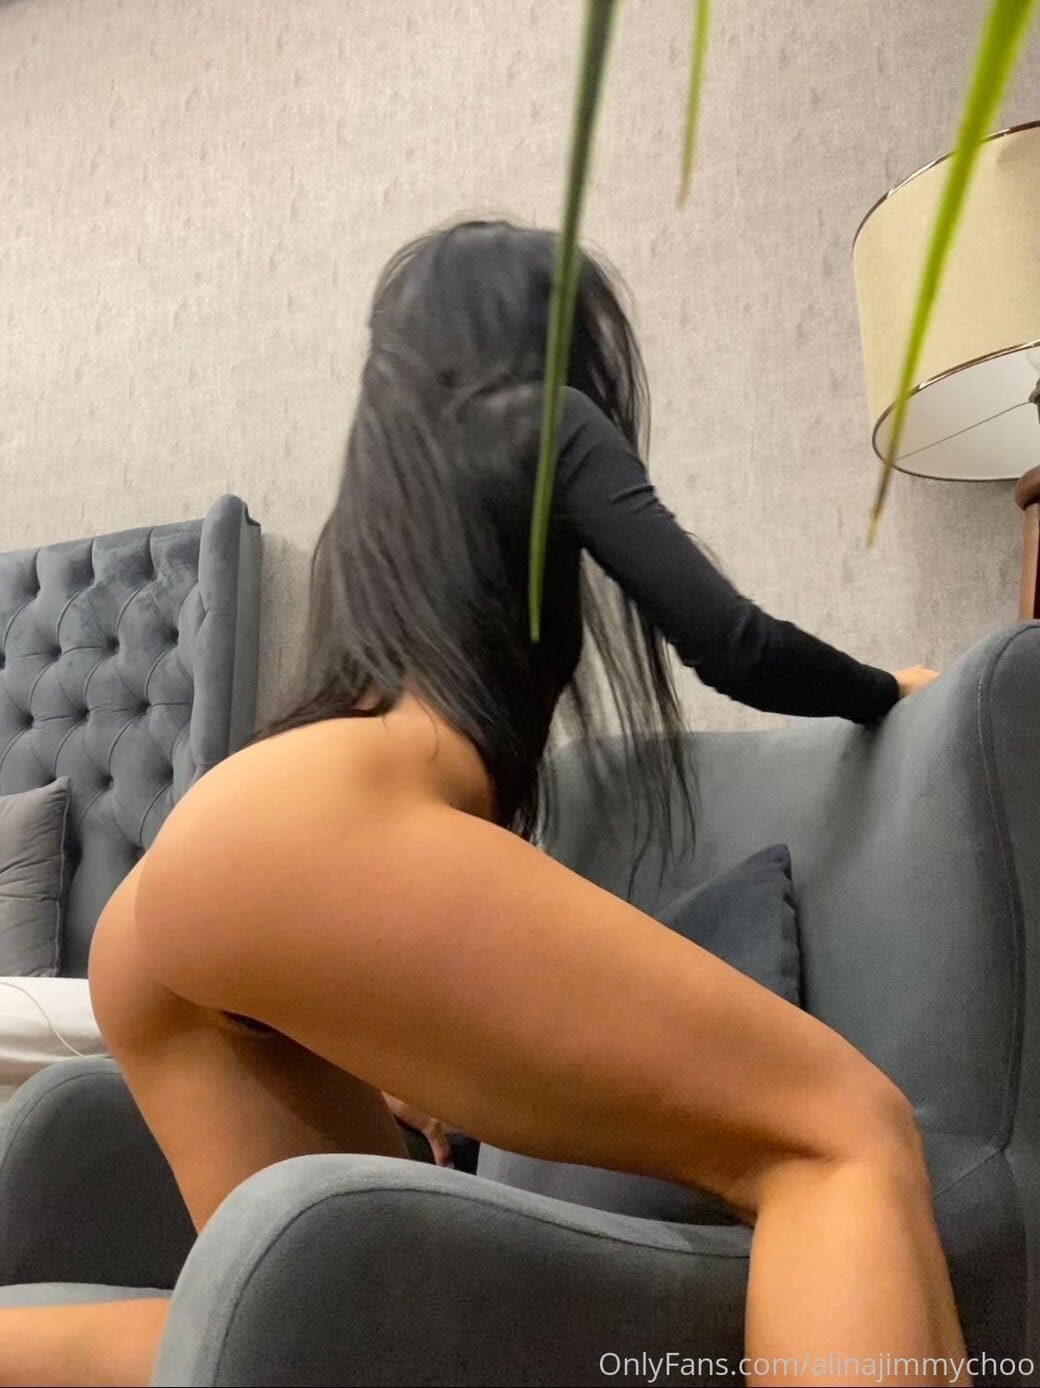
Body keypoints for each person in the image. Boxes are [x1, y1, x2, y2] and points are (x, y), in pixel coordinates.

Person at [0, 221, 964, 1387]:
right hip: (292, 844)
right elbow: (734, 643)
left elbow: (303, 882)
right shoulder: (539, 419)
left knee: (329, 1330)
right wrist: (890, 689)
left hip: (180, 891)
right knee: (841, 1130)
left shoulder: (377, 512)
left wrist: (383, 1027)